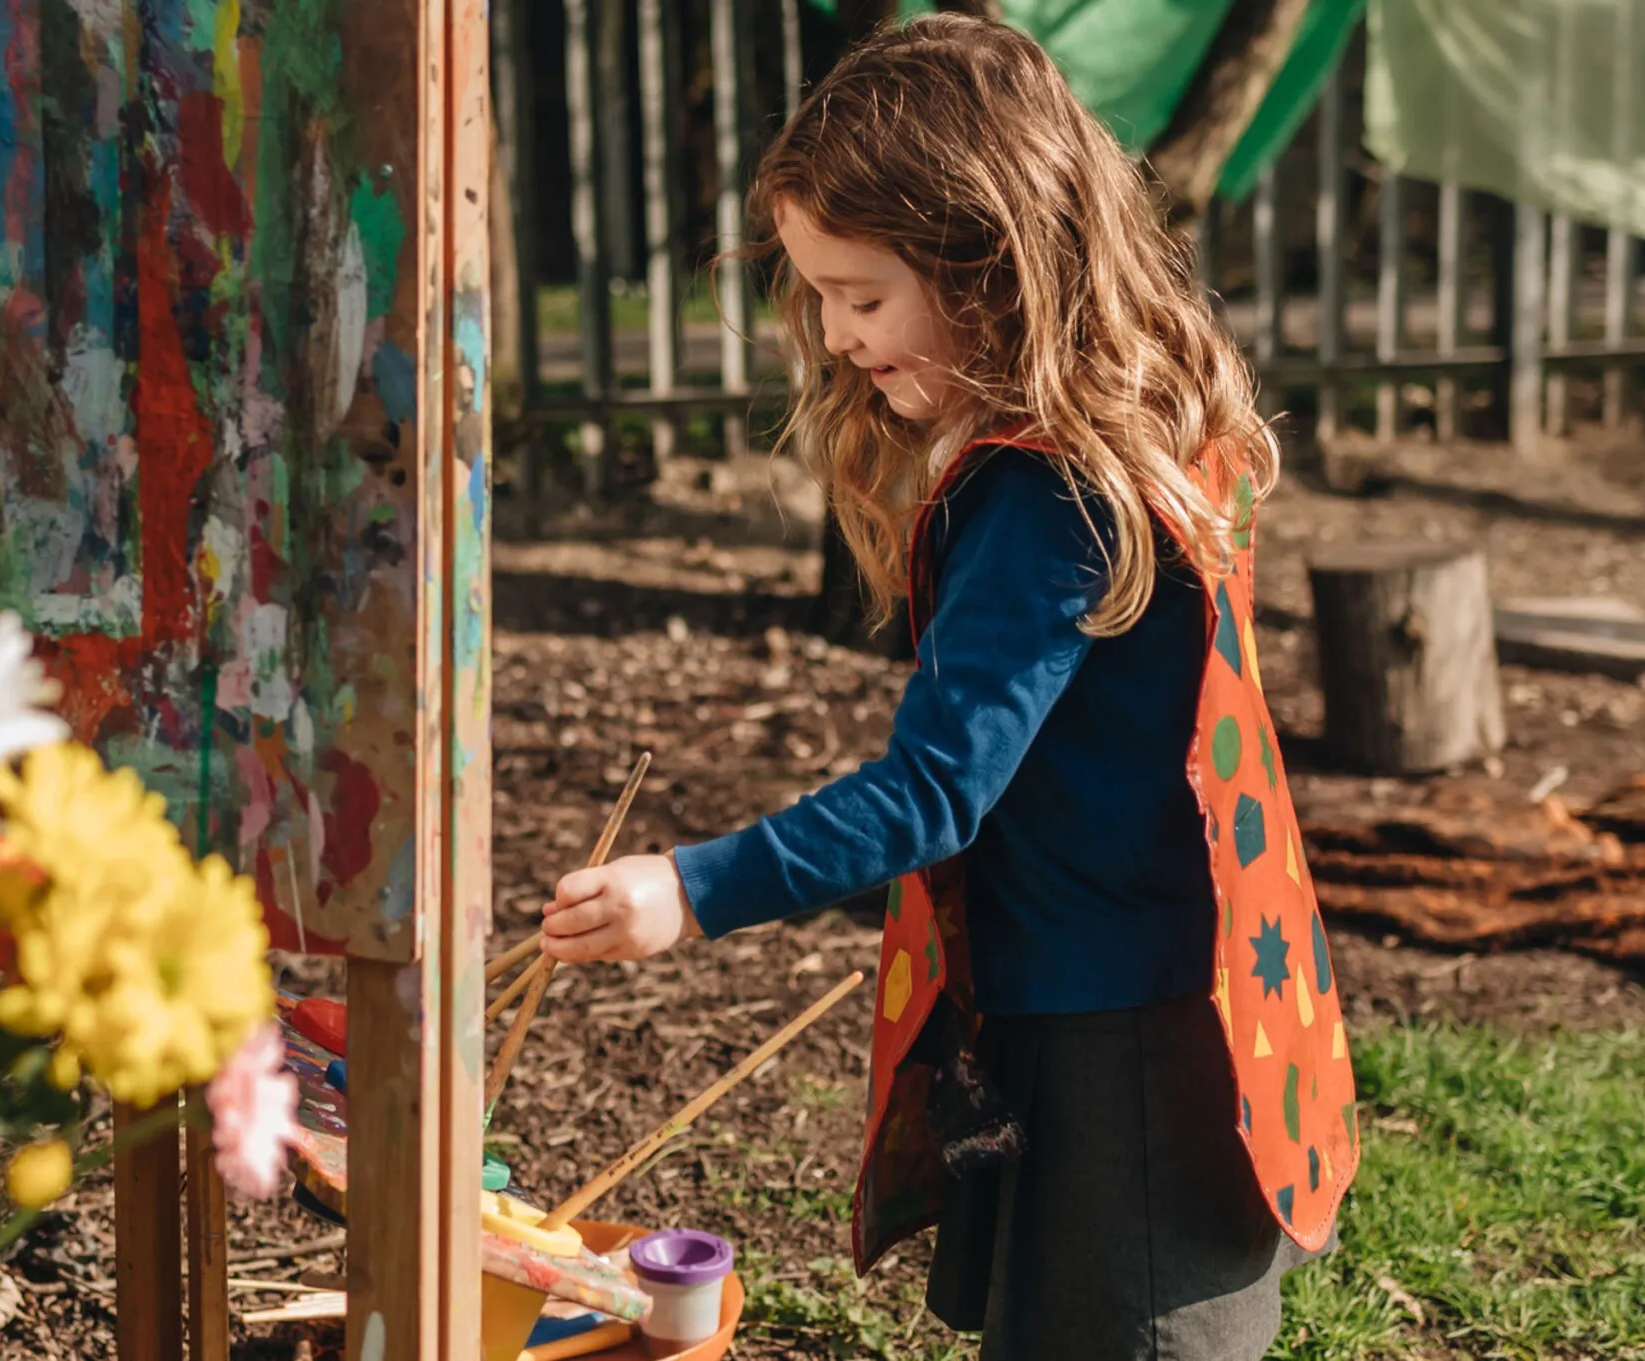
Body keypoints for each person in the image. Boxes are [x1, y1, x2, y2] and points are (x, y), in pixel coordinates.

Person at [534, 15, 1359, 1360]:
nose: (840, 336)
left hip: (1126, 1038)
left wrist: (689, 888)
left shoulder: (1047, 492)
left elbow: (934, 793)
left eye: (864, 295)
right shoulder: (1121, 440)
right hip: (1135, 994)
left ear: (991, 262)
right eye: (820, 298)